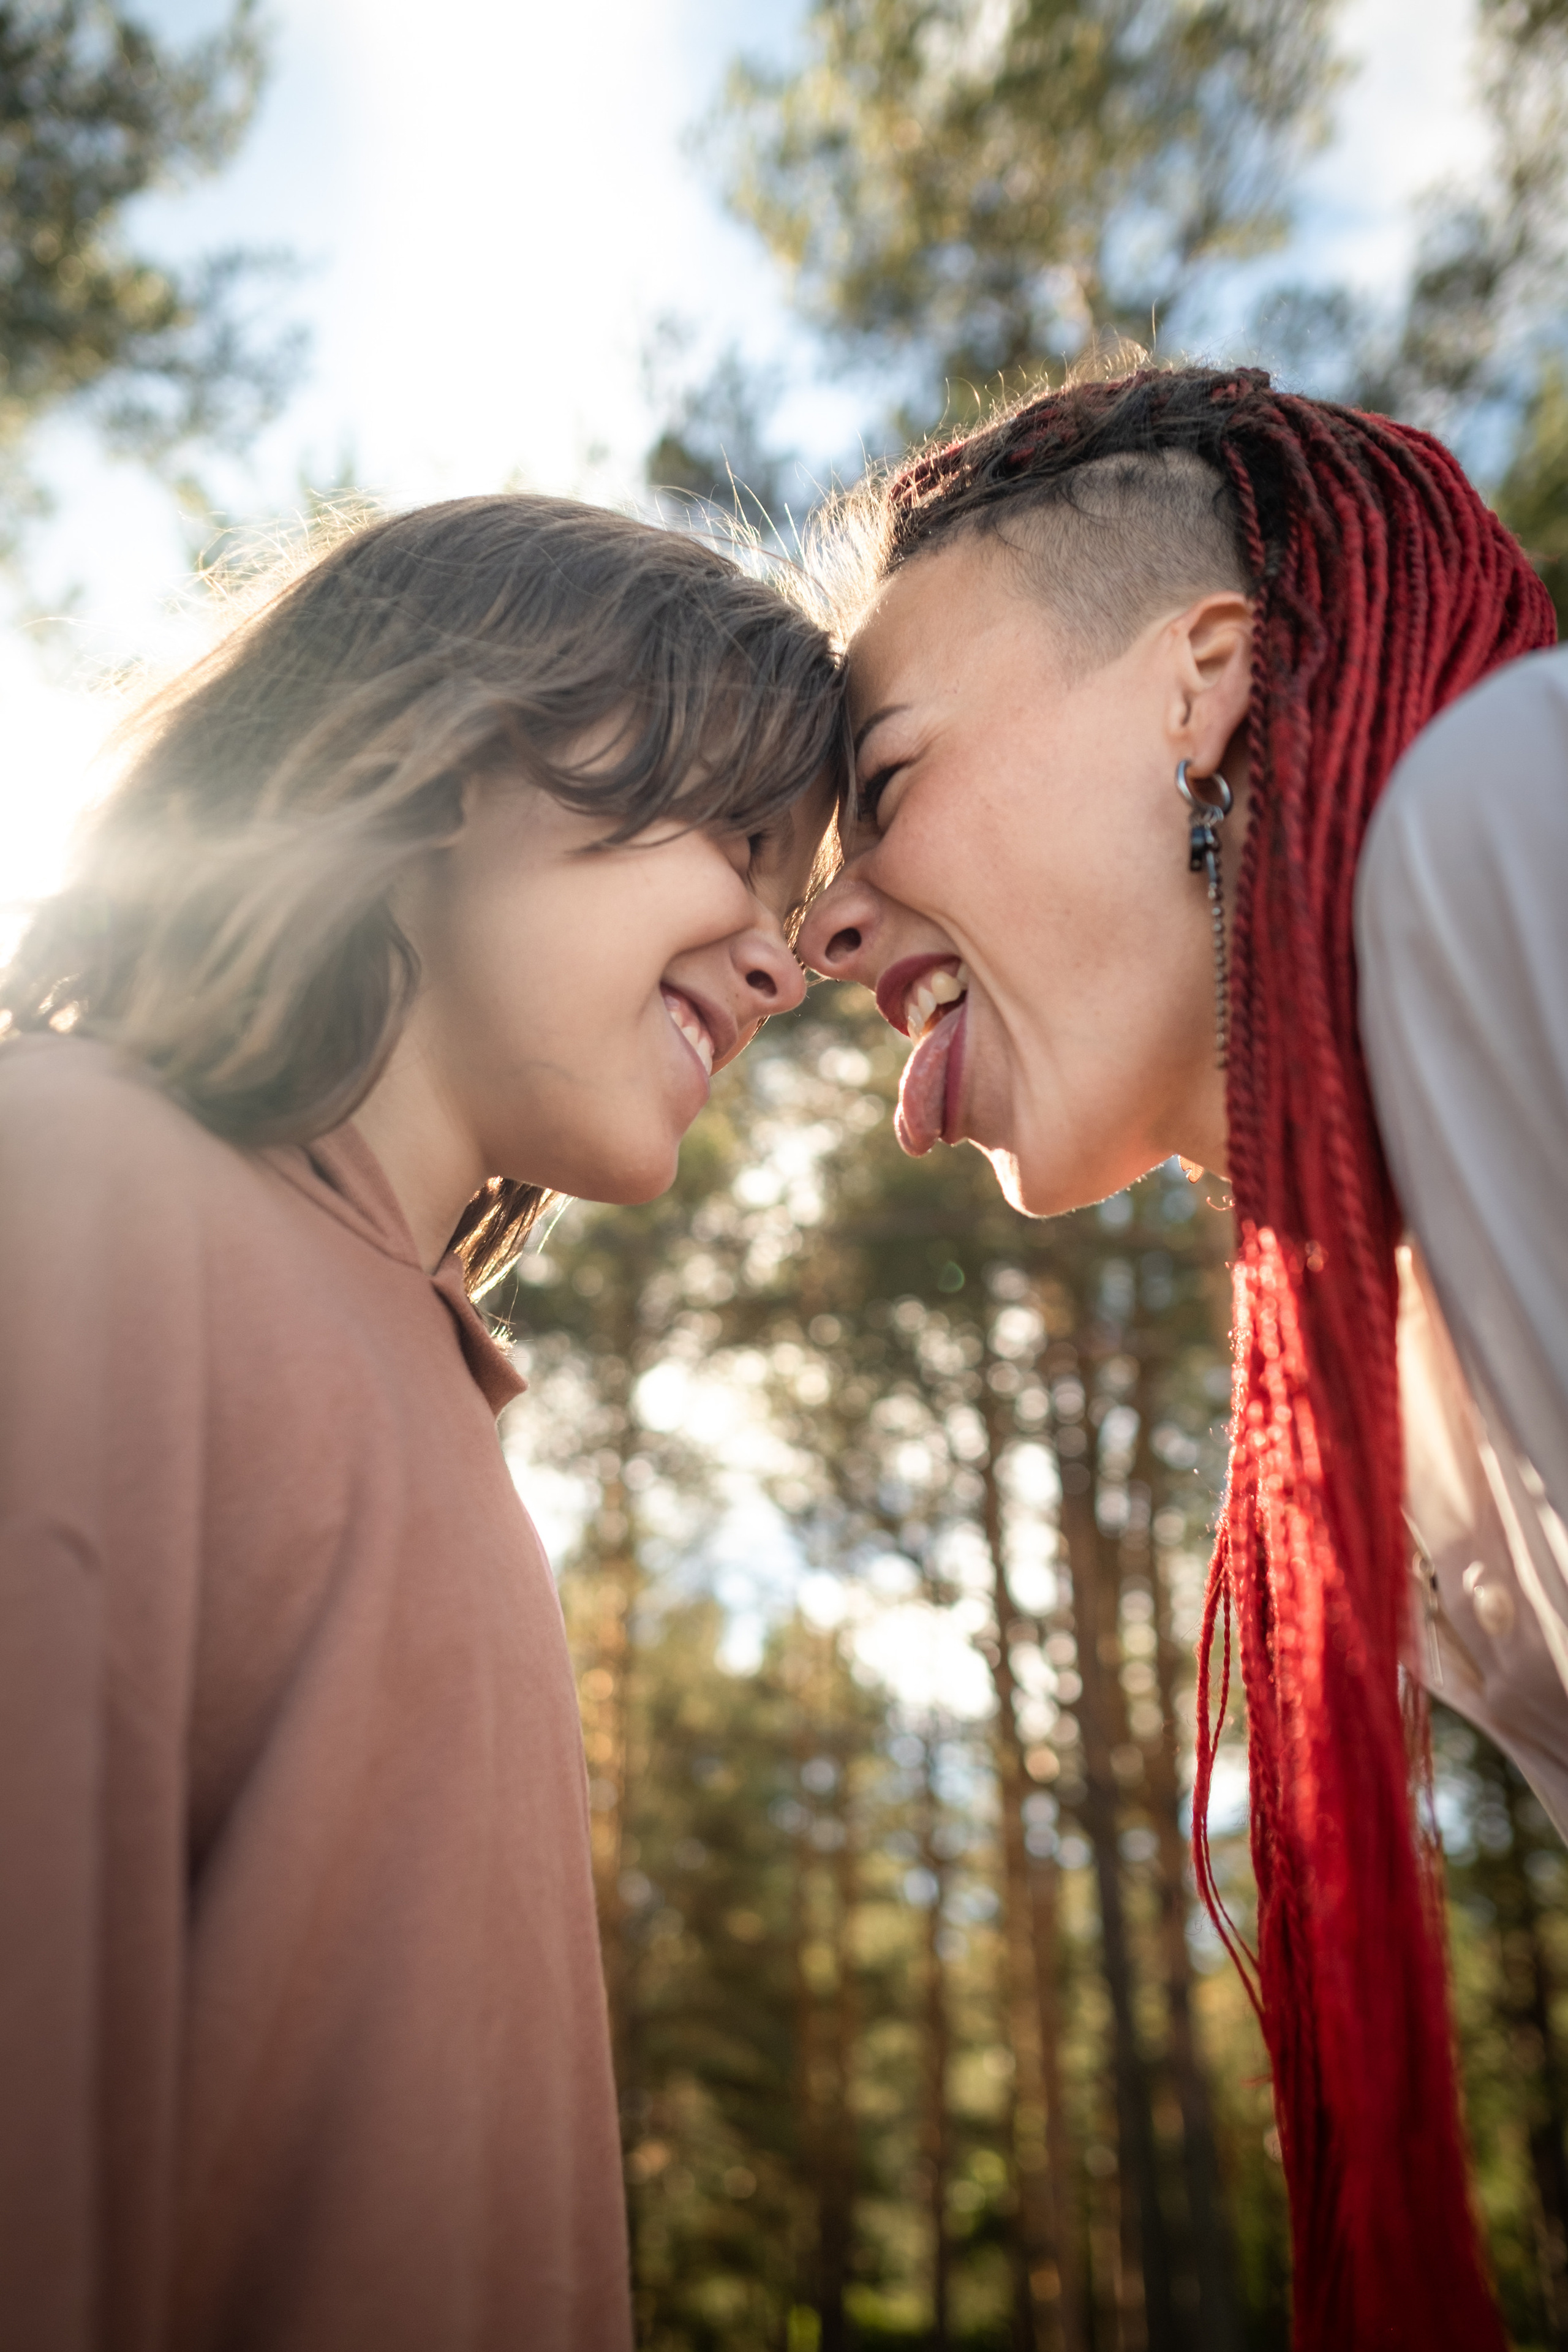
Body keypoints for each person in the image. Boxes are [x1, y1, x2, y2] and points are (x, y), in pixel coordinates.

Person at [0, 494, 845, 2352]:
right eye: (736, 843)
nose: (785, 969)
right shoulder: (70, 1188)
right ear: (461, 749)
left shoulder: (434, 1386)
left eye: (799, 911)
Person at [795, 364, 1561, 2351]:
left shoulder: (1516, 822)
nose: (820, 940)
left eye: (880, 789)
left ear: (1204, 677)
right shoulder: (1373, 1378)